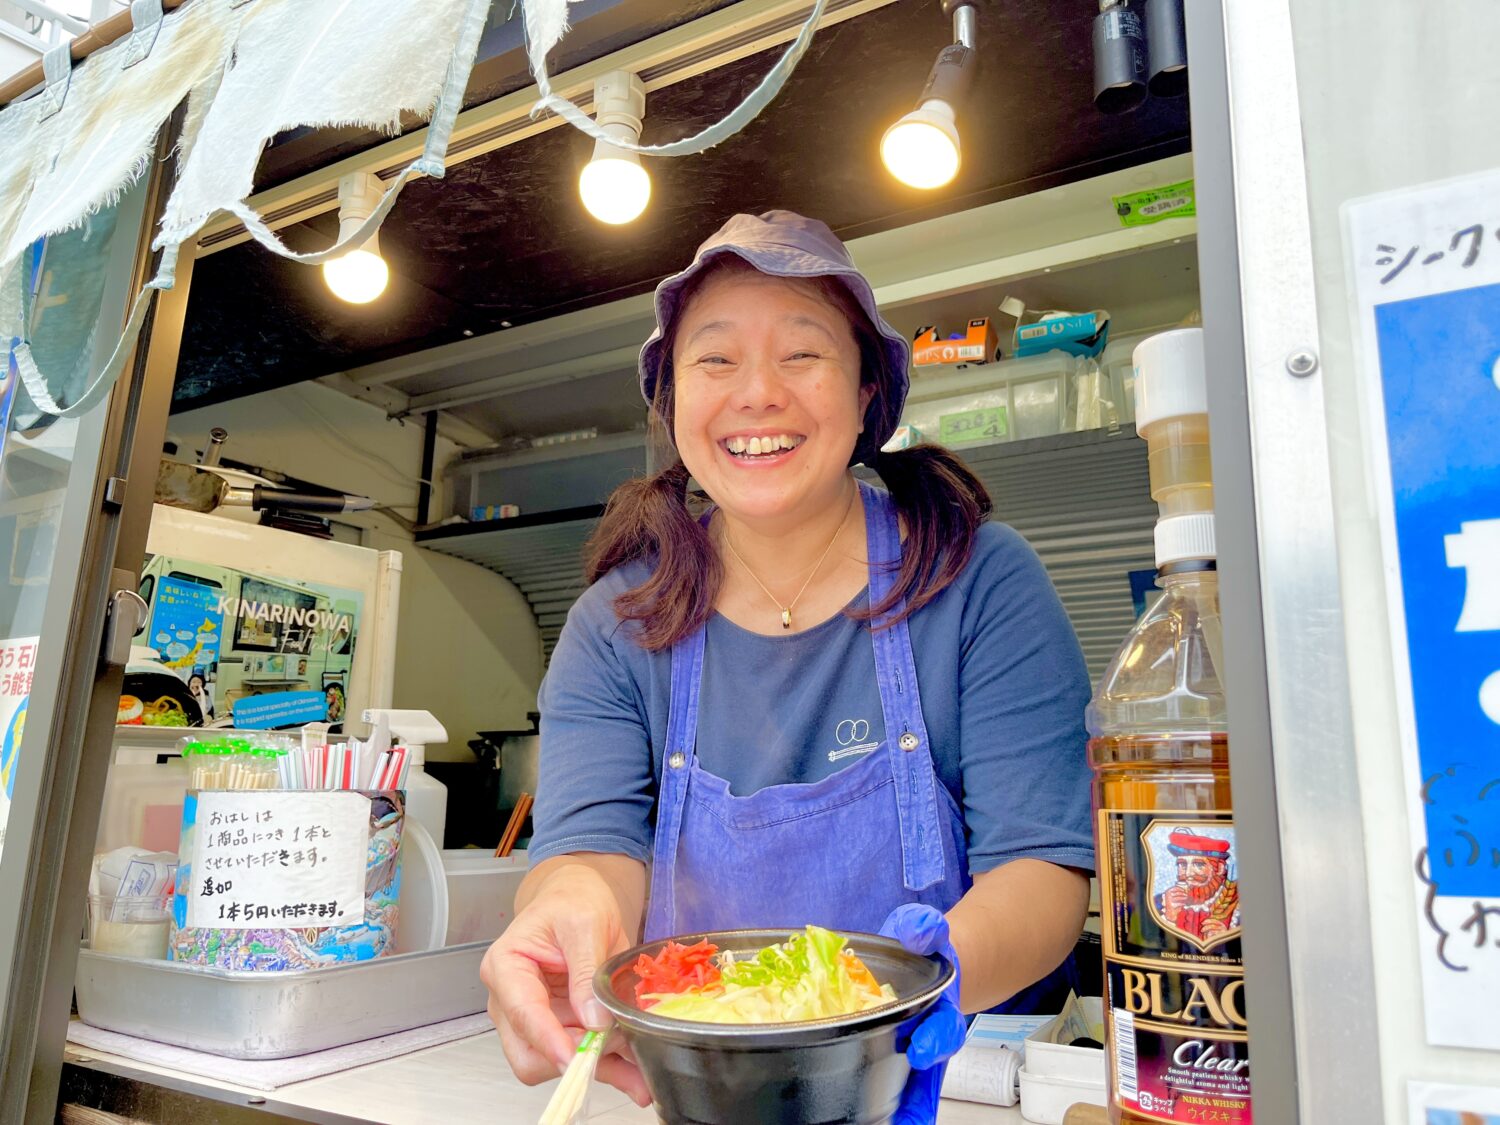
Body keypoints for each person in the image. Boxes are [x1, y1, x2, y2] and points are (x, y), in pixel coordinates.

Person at [481, 211, 1094, 1119]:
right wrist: (563, 911)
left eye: (803, 354)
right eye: (715, 360)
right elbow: (590, 851)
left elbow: (1044, 869)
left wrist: (919, 987)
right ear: (675, 402)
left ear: (866, 395)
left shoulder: (979, 579)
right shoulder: (616, 622)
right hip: (702, 1091)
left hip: (953, 1076)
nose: (757, 393)